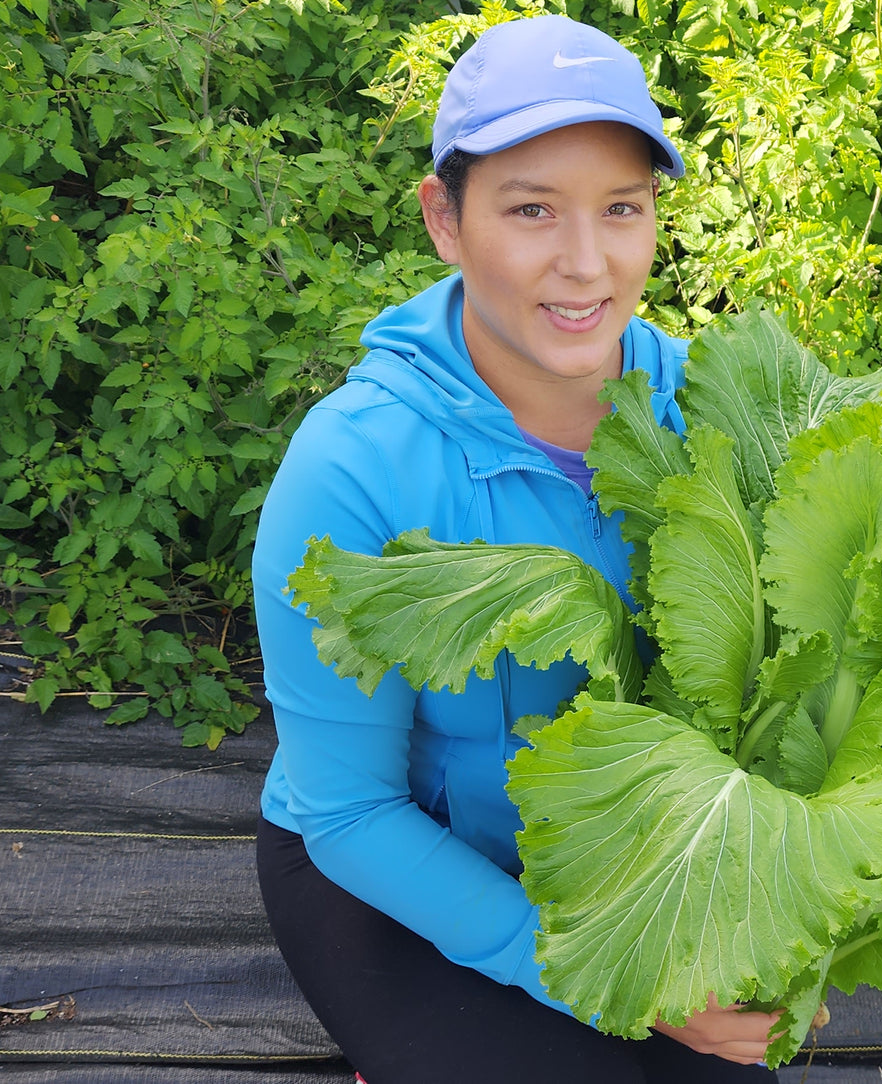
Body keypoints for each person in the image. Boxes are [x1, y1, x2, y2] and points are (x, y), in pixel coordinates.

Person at [251, 14, 781, 1084]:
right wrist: (616, 976)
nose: (585, 264)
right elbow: (350, 810)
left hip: (638, 860)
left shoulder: (729, 413)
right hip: (392, 869)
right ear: (444, 219)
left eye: (620, 209)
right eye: (530, 209)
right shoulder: (351, 467)